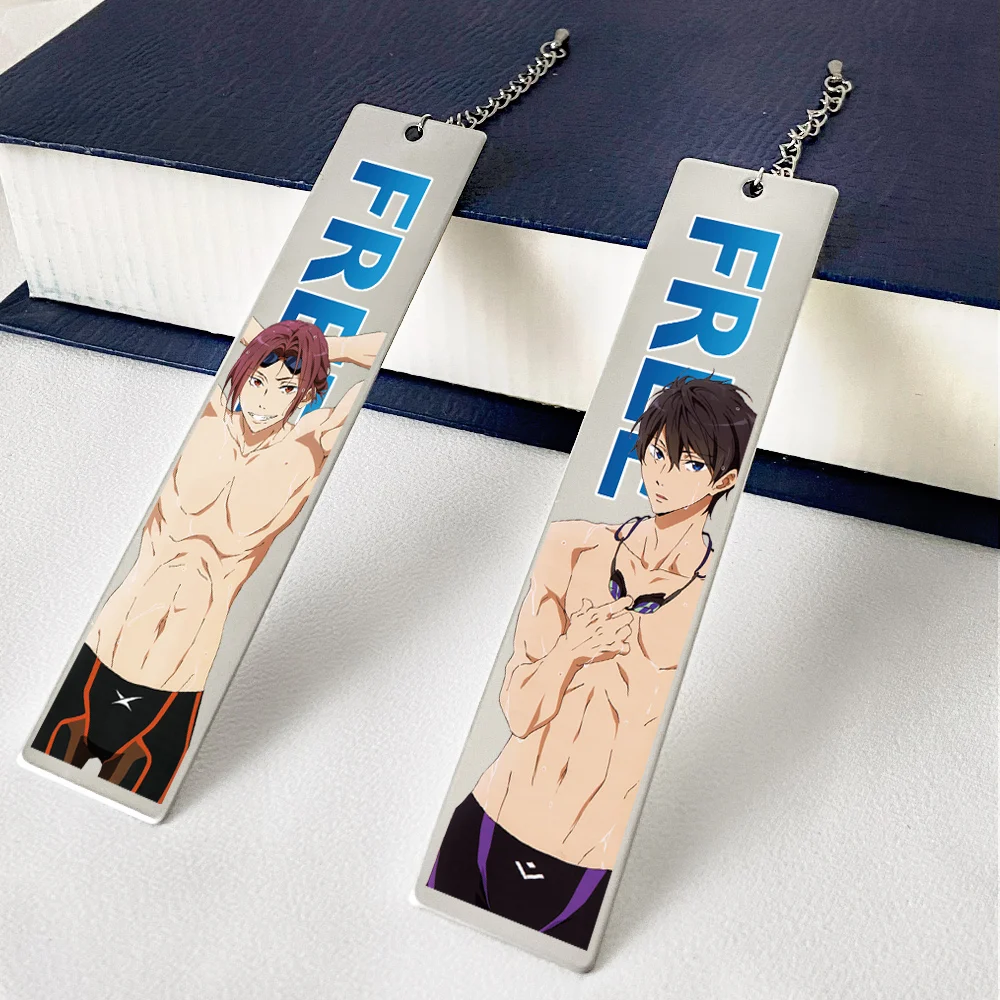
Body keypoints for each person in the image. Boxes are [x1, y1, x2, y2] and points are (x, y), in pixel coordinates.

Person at [429, 376, 756, 949]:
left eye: (690, 464)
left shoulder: (709, 601)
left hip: (586, 861)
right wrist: (572, 649)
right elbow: (520, 711)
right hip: (489, 818)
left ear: (724, 480)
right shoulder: (572, 547)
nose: (662, 475)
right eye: (657, 453)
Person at [33, 318, 385, 802]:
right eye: (257, 381)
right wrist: (276, 344)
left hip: (181, 676)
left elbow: (379, 349)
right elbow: (247, 338)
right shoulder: (210, 419)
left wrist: (320, 350)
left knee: (139, 810)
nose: (265, 400)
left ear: (305, 395)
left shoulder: (311, 444)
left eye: (286, 389)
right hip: (104, 647)